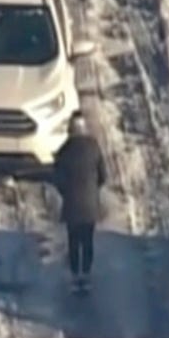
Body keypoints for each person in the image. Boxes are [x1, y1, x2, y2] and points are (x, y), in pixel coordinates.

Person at [52, 112, 107, 293]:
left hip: (72, 205)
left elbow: (57, 178)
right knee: (87, 240)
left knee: (74, 241)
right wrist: (93, 189)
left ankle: (76, 276)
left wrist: (66, 192)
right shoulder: (94, 147)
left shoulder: (64, 151)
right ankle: (87, 273)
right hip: (90, 203)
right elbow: (103, 176)